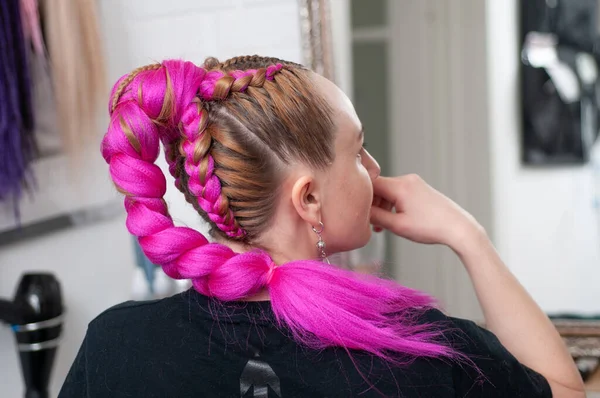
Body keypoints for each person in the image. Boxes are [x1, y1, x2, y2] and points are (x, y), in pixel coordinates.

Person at [59, 56, 584, 397]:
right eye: (357, 151)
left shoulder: (113, 347)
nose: (374, 170)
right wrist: (468, 236)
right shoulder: (421, 355)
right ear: (309, 198)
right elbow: (565, 390)